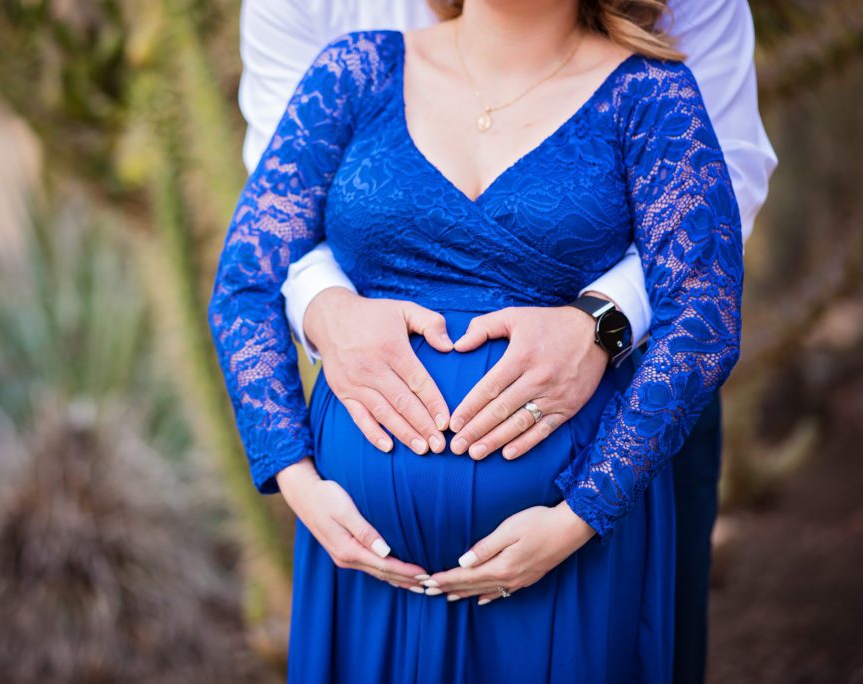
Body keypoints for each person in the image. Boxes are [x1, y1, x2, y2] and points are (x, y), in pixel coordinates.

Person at [237, 1, 776, 682]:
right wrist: (297, 477)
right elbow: (249, 276)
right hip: (361, 565)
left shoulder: (652, 93)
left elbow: (704, 307)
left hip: (566, 555)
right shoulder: (355, 69)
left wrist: (581, 516)